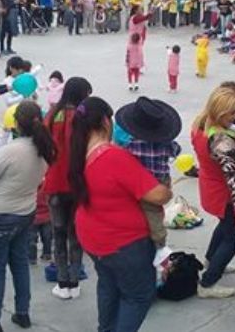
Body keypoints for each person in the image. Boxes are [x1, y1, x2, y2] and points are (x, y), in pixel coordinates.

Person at [69, 97, 172, 332]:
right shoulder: (114, 157)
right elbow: (158, 195)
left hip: (93, 236)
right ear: (106, 121)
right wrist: (166, 187)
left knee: (108, 284)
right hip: (122, 243)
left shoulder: (78, 152)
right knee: (138, 295)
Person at [0, 101, 55, 332]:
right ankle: (22, 312)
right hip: (25, 212)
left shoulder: (11, 150)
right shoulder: (45, 149)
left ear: (16, 122)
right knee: (20, 265)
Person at [192, 86, 235, 298]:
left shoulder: (200, 124)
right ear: (221, 112)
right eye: (232, 113)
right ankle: (208, 282)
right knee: (234, 235)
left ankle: (211, 260)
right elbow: (232, 176)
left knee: (224, 227)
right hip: (224, 192)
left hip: (210, 186)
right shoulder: (222, 141)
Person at [44, 77, 93, 300]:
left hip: (54, 182)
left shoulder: (54, 113)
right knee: (76, 235)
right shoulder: (83, 116)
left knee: (58, 233)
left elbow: (43, 142)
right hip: (76, 183)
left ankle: (62, 282)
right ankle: (75, 281)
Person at [114, 96, 182, 253]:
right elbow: (176, 150)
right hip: (160, 182)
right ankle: (160, 243)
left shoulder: (131, 145)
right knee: (154, 212)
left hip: (138, 182)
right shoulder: (167, 144)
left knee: (139, 208)